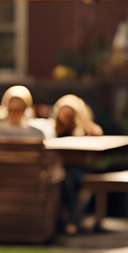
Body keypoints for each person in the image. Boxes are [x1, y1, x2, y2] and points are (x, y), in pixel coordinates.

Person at [43, 94, 102, 234]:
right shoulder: (53, 129)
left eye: (69, 115)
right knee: (64, 180)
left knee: (69, 181)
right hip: (57, 169)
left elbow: (97, 135)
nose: (65, 119)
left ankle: (71, 221)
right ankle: (69, 221)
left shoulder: (84, 129)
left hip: (78, 170)